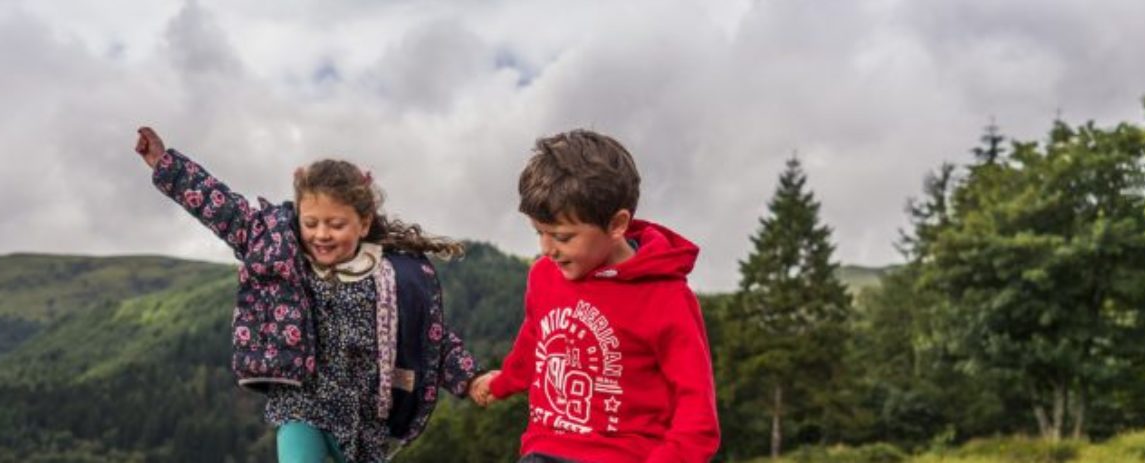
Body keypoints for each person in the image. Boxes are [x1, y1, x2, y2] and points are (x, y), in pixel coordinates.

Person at [133, 127, 479, 462]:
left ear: (363, 222)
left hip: (365, 418)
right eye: (310, 223)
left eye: (336, 224)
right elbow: (225, 210)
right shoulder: (280, 248)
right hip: (300, 403)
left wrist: (469, 379)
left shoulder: (391, 276)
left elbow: (429, 338)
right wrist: (167, 165)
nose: (322, 234)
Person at [469, 129, 720, 462]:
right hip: (543, 451)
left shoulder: (666, 298)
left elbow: (697, 414)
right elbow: (535, 338)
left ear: (617, 225)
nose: (547, 249)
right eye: (539, 233)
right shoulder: (544, 274)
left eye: (562, 236)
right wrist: (504, 382)